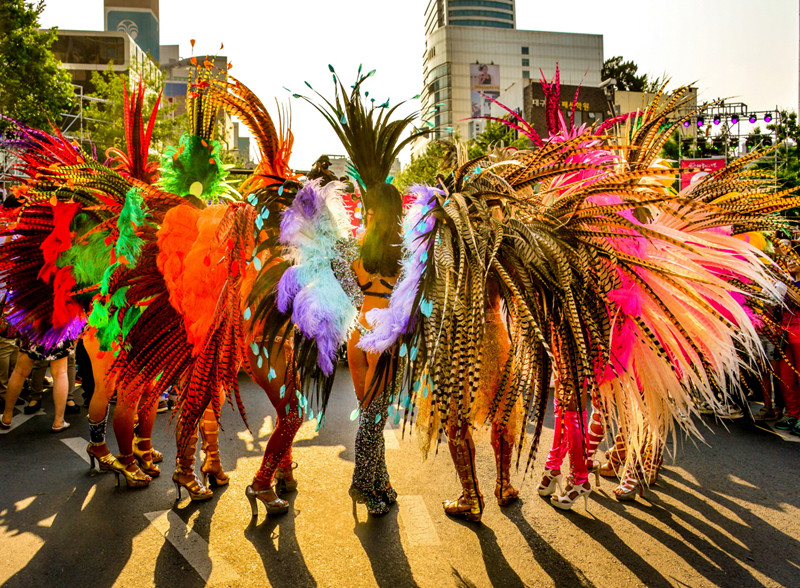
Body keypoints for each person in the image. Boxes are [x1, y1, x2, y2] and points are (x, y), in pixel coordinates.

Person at [347, 182, 404, 516]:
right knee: (372, 420)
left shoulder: (358, 248)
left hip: (358, 332)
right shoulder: (406, 250)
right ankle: (364, 486)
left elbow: (346, 288)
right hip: (383, 337)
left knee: (369, 417)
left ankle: (381, 483)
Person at [1, 336, 72, 432]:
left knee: (19, 372)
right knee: (60, 374)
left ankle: (6, 417)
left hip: (33, 328)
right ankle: (59, 421)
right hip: (59, 330)